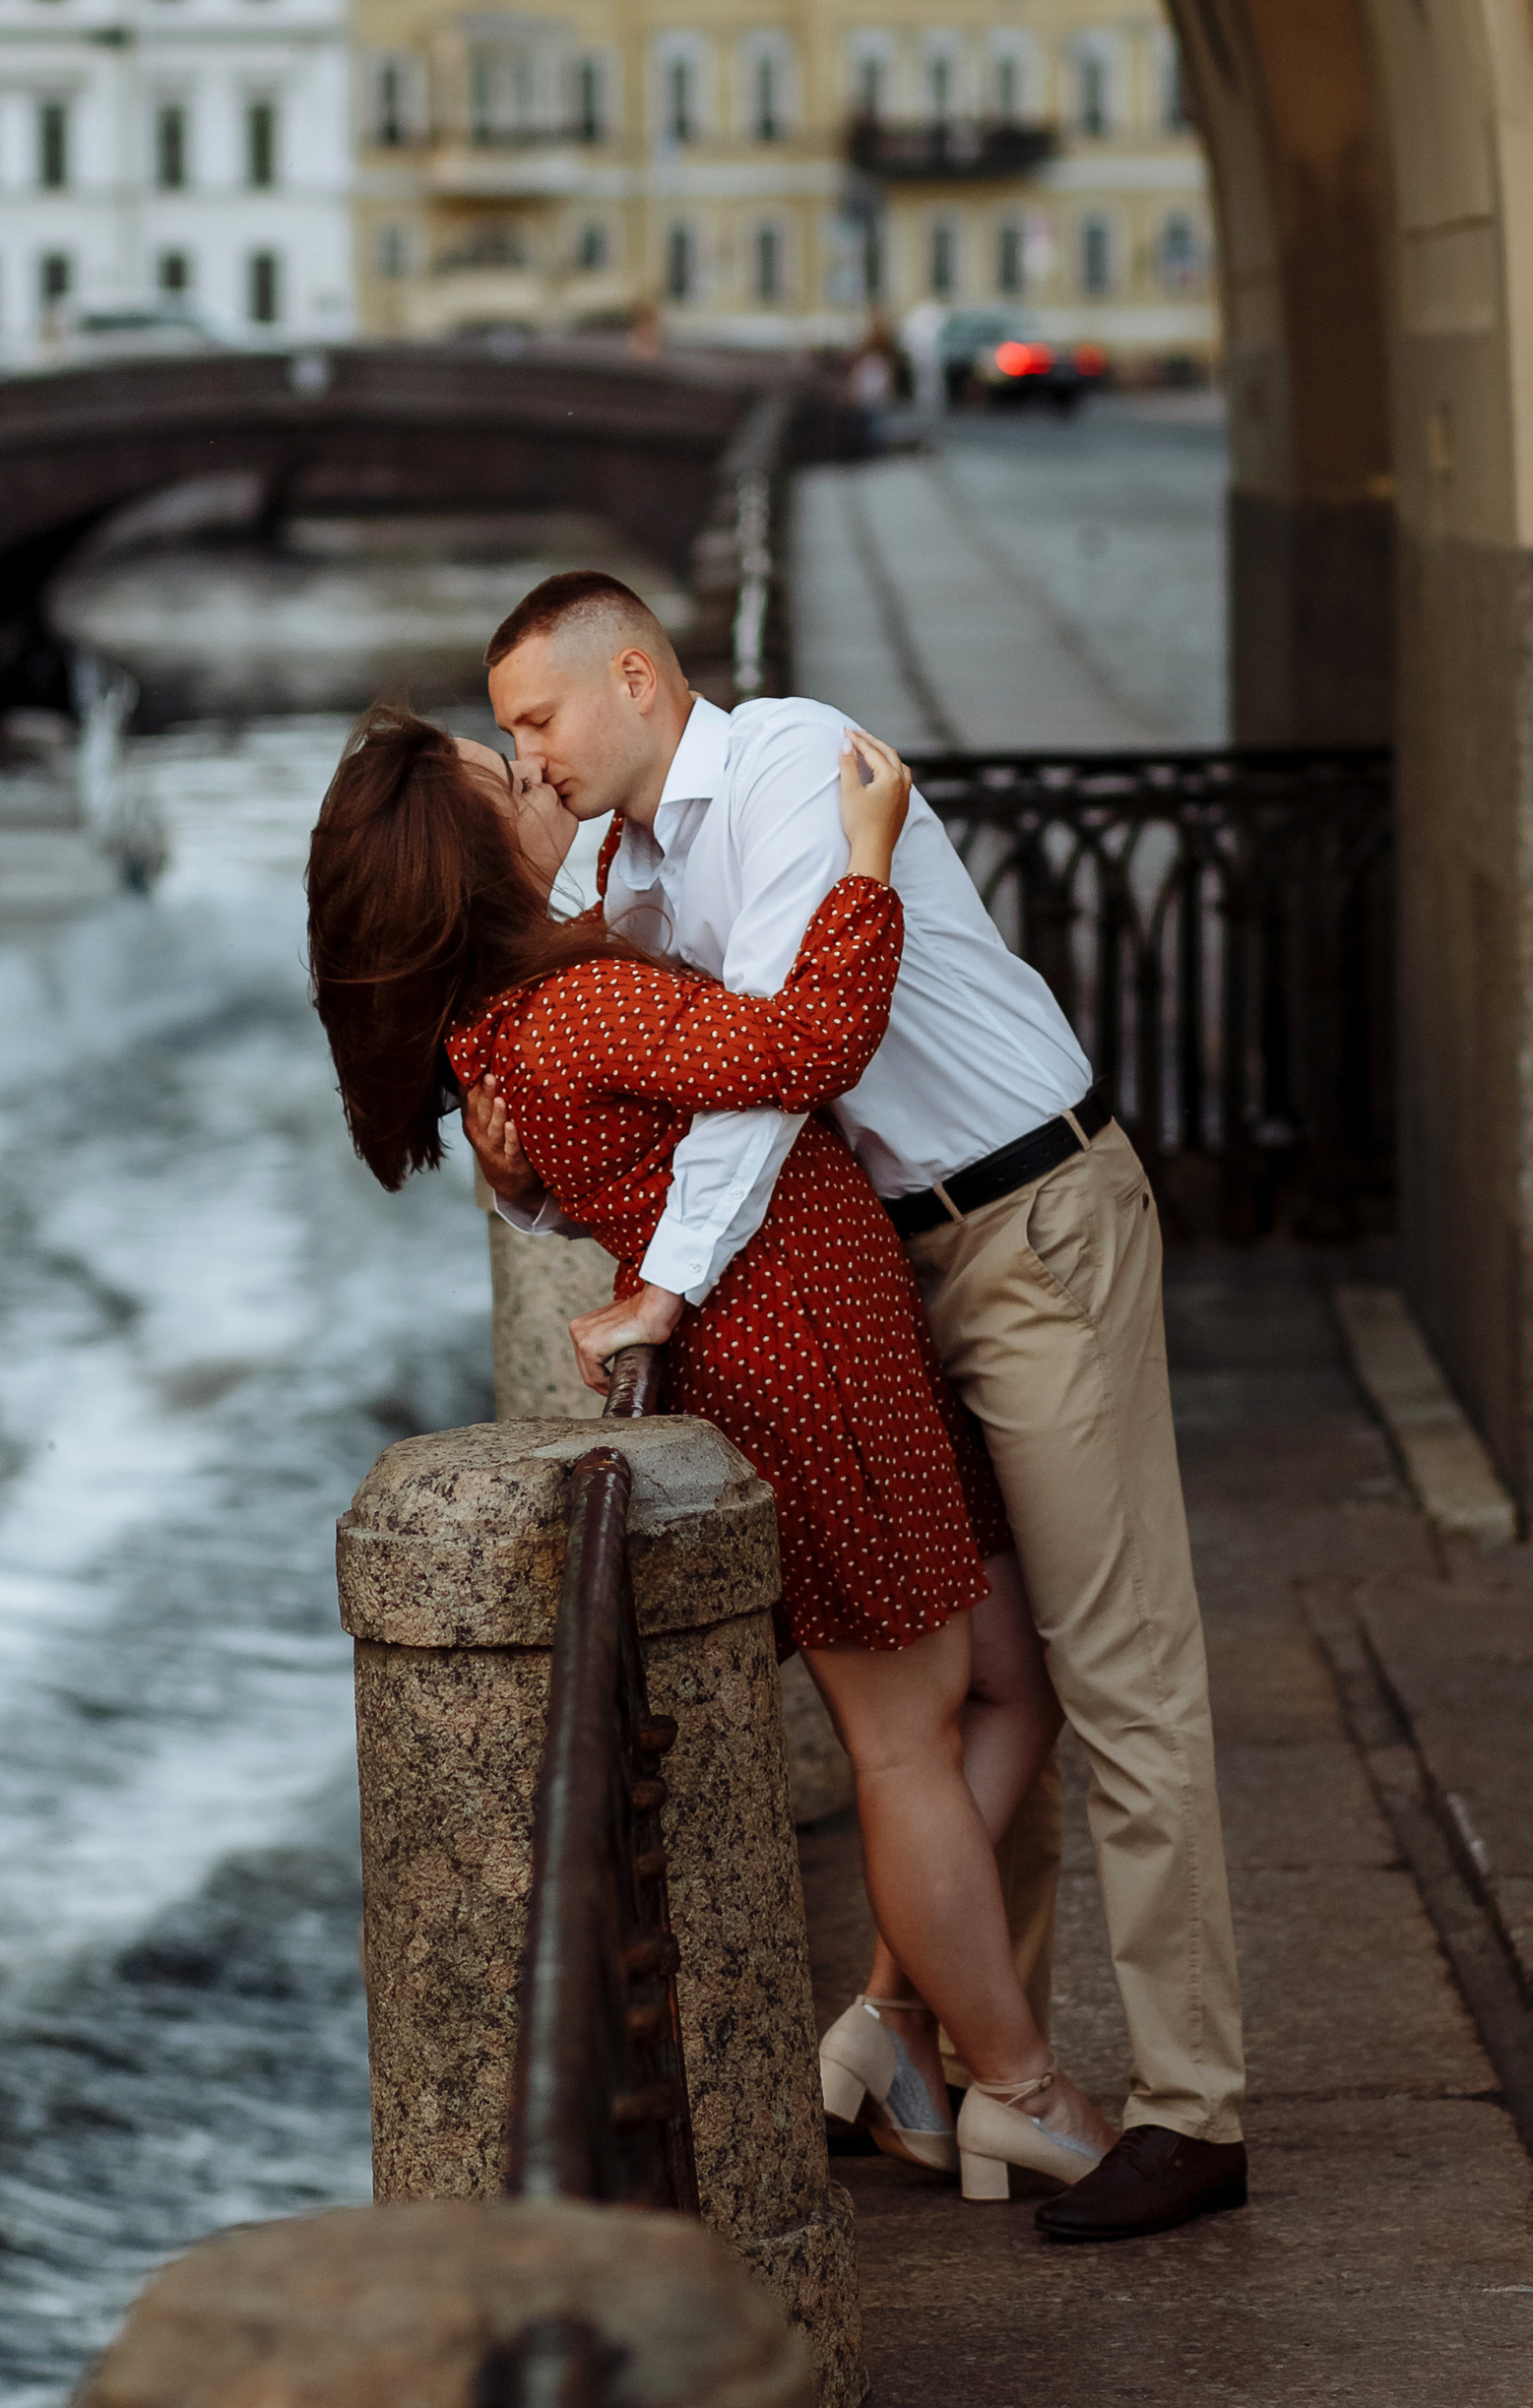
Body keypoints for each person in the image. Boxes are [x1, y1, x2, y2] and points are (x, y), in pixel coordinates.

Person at [469, 570, 1246, 2244]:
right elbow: (619, 1087)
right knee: (993, 1675)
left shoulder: (795, 769)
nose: (522, 756)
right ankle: (970, 2066)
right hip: (898, 1270)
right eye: (504, 741)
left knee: (1116, 1671)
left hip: (1027, 1225)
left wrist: (669, 1284)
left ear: (632, 673)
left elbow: (777, 1069)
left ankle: (1193, 2103)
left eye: (536, 720)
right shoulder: (633, 860)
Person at [305, 703, 1113, 2199]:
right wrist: (862, 862)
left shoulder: (521, 1022)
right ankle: (1021, 2085)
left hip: (832, 1337)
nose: (532, 771)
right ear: (470, 856)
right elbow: (807, 1040)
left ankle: (884, 2027)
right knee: (908, 1737)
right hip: (809, 1355)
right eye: (502, 776)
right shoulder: (576, 1012)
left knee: (1012, 1686)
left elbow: (579, 1160)